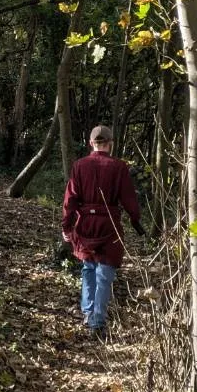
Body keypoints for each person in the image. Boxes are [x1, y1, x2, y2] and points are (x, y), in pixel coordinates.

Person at [60, 125, 144, 336]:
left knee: (88, 269)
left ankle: (88, 313)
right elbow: (129, 200)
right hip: (109, 225)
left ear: (91, 143)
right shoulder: (119, 167)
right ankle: (97, 321)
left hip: (85, 225)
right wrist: (136, 222)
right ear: (111, 144)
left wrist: (67, 226)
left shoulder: (80, 165)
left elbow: (70, 199)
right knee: (104, 274)